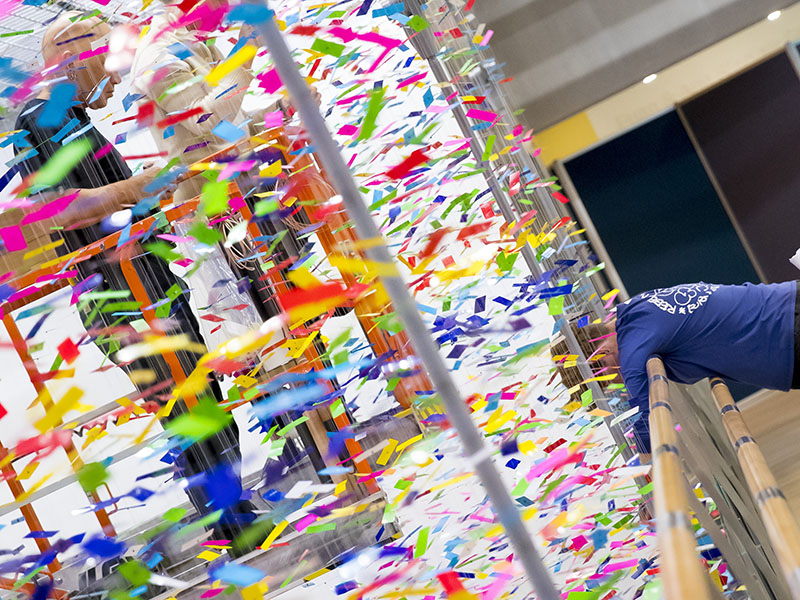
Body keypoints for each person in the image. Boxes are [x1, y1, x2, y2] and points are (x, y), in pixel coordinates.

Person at [12, 12, 257, 549]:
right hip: (124, 292)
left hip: (136, 282)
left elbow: (102, 206)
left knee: (197, 398)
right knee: (191, 406)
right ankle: (234, 526)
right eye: (113, 58)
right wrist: (140, 187)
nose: (121, 77)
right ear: (78, 54)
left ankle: (235, 517)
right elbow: (60, 210)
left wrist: (155, 195)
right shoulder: (47, 116)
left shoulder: (65, 116)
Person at [597, 281, 797, 455]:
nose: (618, 381)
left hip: (783, 336)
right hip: (786, 300)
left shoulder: (632, 343)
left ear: (602, 353)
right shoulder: (635, 307)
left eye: (606, 377)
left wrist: (648, 485)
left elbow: (646, 429)